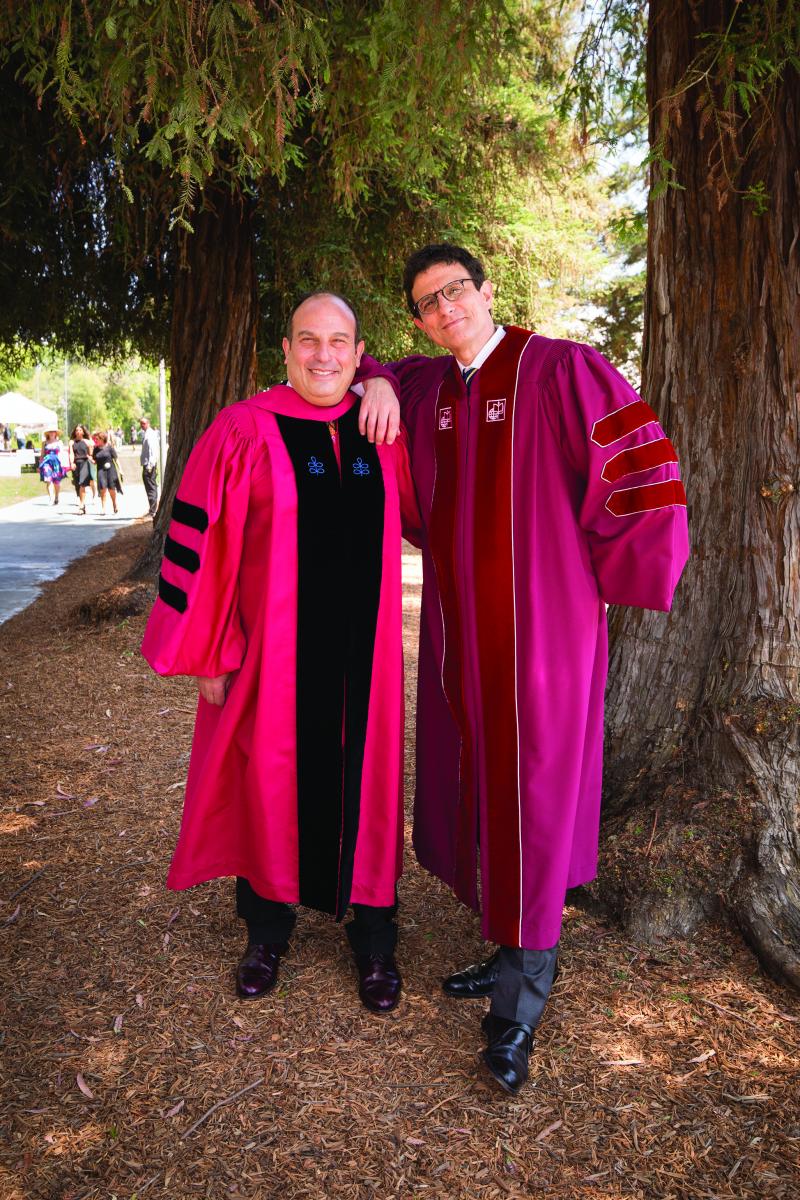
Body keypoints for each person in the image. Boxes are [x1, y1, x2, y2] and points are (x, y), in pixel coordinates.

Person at [357, 243, 690, 1094]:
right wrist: (381, 377)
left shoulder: (560, 371)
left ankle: (518, 1009)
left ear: (486, 290)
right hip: (460, 630)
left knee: (535, 791)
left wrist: (618, 582)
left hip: (545, 630)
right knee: (480, 779)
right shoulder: (429, 387)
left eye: (455, 291)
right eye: (427, 302)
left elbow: (640, 474)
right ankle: (507, 946)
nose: (444, 309)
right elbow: (358, 357)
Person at [141, 292, 419, 1014]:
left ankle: (376, 939)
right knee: (269, 782)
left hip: (369, 663)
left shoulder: (383, 426)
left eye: (339, 342)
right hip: (274, 655)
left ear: (359, 354)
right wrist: (209, 648)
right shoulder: (242, 430)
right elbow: (203, 545)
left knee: (370, 784)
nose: (323, 355)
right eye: (308, 340)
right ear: (286, 350)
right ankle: (266, 931)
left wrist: (384, 380)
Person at [92, 431, 123, 514]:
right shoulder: (95, 449)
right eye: (95, 439)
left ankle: (114, 504)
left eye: (97, 439)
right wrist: (91, 460)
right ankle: (103, 508)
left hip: (111, 470)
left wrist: (120, 470)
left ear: (102, 439)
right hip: (101, 470)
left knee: (111, 489)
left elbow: (116, 459)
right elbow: (94, 460)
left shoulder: (109, 448)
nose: (96, 440)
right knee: (102, 488)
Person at [68, 424, 94, 514]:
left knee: (82, 483)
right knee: (77, 485)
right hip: (76, 464)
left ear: (83, 432)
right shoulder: (71, 442)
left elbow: (91, 452)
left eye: (80, 430)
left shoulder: (87, 441)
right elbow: (71, 453)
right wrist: (72, 463)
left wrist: (90, 451)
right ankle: (82, 504)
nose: (78, 431)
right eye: (76, 430)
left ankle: (81, 505)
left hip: (85, 463)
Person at [38, 429, 67, 505]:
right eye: (50, 432)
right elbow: (42, 455)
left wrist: (63, 464)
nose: (51, 433)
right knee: (48, 480)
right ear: (48, 433)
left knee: (56, 481)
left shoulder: (59, 442)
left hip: (56, 463)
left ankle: (57, 496)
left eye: (53, 432)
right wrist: (40, 465)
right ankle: (51, 498)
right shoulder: (44, 443)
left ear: (56, 433)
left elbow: (62, 453)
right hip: (46, 462)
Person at [139, 417, 160, 516]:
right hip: (147, 464)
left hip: (149, 465)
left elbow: (153, 451)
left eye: (143, 423)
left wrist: (150, 465)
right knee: (149, 487)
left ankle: (153, 510)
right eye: (141, 423)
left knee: (151, 487)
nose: (141, 425)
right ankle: (152, 508)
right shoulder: (147, 433)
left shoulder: (150, 434)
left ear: (148, 423)